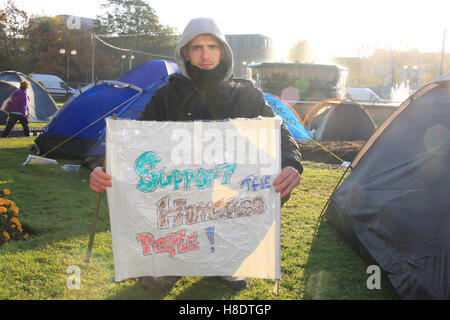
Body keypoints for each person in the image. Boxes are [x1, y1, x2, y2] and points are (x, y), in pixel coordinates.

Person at [90, 17, 303, 291]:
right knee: (156, 274)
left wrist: (292, 164)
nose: (205, 54)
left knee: (269, 188)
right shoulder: (166, 96)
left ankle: (229, 260)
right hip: (180, 193)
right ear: (185, 52)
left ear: (223, 50)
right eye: (197, 47)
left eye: (212, 46)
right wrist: (99, 166)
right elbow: (132, 140)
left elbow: (278, 130)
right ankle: (171, 260)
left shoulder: (246, 94)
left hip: (227, 189)